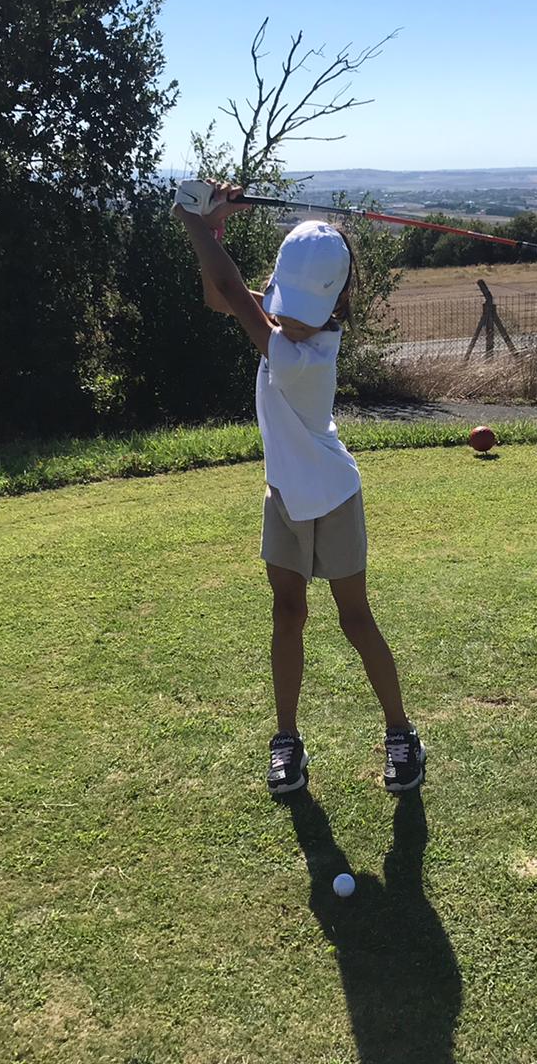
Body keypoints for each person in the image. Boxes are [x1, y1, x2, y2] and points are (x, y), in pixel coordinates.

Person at [173, 182, 424, 796]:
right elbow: (217, 296)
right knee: (287, 614)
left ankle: (401, 733)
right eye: (284, 303)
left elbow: (230, 288)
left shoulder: (304, 357)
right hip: (284, 495)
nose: (287, 316)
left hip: (334, 498)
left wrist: (192, 219)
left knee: (355, 619)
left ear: (333, 307)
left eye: (298, 308)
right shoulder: (286, 324)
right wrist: (216, 227)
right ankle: (286, 739)